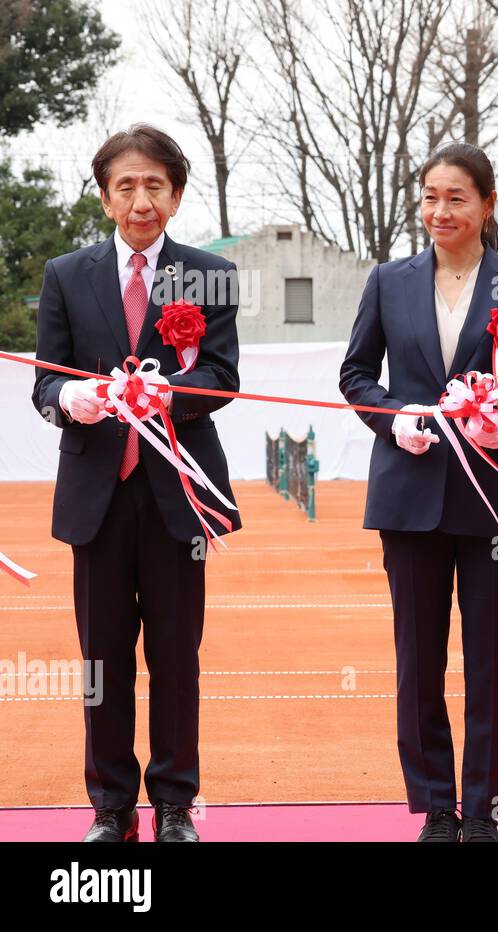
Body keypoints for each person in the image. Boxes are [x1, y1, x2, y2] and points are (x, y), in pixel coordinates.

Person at [32, 124, 242, 842]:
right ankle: (111, 807)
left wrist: (169, 398)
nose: (141, 199)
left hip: (175, 496)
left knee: (176, 657)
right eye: (127, 185)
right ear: (104, 196)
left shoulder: (209, 273)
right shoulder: (66, 275)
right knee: (101, 662)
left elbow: (220, 379)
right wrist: (71, 401)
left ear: (176, 195)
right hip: (95, 496)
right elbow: (46, 380)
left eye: (155, 184)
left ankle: (177, 804)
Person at [339, 143, 498, 843]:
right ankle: (436, 806)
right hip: (409, 499)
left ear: (487, 205)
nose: (441, 211)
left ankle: (484, 808)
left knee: (490, 662)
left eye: (457, 198)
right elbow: (356, 375)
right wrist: (392, 418)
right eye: (431, 197)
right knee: (419, 661)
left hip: (491, 500)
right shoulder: (389, 281)